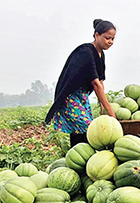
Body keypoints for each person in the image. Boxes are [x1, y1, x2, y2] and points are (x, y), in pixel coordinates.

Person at [45, 19, 117, 147]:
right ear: (96, 35)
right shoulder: (86, 51)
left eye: (112, 39)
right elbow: (95, 83)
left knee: (79, 129)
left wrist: (103, 106)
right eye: (107, 38)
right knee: (87, 127)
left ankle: (78, 156)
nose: (110, 42)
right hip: (70, 95)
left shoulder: (101, 55)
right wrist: (111, 112)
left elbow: (100, 81)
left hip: (82, 95)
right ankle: (79, 156)